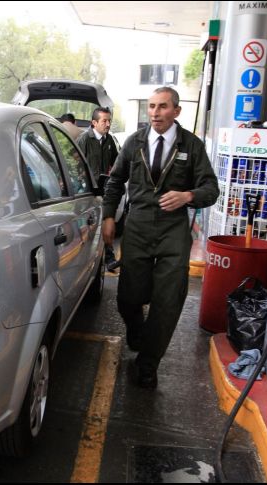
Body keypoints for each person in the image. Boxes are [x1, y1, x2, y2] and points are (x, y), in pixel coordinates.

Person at [101, 86, 219, 388]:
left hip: (173, 229)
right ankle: (137, 330)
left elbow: (210, 189)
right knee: (128, 297)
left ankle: (147, 365)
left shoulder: (191, 146)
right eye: (152, 106)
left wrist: (187, 196)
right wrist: (109, 216)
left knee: (168, 300)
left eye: (163, 106)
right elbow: (115, 181)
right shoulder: (134, 142)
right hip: (138, 225)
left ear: (176, 111)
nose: (156, 112)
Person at [76, 106, 120, 271]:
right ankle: (83, 260)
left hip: (104, 190)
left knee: (106, 222)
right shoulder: (84, 140)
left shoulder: (109, 141)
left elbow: (117, 163)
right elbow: (75, 164)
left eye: (109, 120)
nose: (108, 124)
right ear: (94, 123)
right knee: (87, 227)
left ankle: (109, 259)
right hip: (86, 192)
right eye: (104, 121)